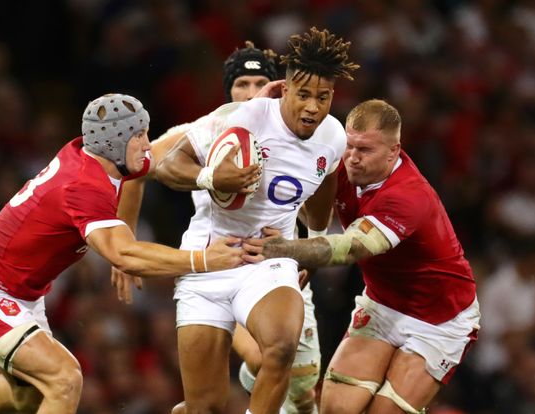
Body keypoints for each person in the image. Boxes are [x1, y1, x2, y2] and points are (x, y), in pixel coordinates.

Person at [0, 94, 245, 414]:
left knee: (30, 397)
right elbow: (122, 254)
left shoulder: (101, 154)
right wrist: (204, 260)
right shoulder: (82, 186)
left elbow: (165, 155)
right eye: (140, 136)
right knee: (64, 378)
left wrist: (226, 132)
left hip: (22, 293)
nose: (147, 144)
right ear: (116, 142)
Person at [153, 27, 358, 414]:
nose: (313, 107)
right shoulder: (241, 117)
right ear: (286, 89)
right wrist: (212, 177)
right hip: (210, 257)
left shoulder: (333, 135)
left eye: (323, 97)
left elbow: (324, 185)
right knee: (203, 408)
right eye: (304, 95)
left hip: (267, 258)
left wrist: (311, 245)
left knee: (280, 349)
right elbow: (166, 165)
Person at [113, 41, 322, 413]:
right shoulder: (204, 130)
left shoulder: (299, 142)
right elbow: (136, 171)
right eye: (242, 84)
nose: (251, 93)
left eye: (261, 83)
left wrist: (303, 249)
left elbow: (309, 208)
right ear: (229, 90)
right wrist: (122, 247)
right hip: (216, 259)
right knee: (234, 382)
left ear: (278, 91)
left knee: (301, 382)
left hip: (270, 264)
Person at [243, 99, 480, 414]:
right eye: (350, 146)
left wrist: (281, 248)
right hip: (382, 304)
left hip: (438, 319)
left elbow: (351, 248)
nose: (352, 158)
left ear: (393, 151)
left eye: (365, 150)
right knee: (335, 409)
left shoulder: (408, 197)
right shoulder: (338, 164)